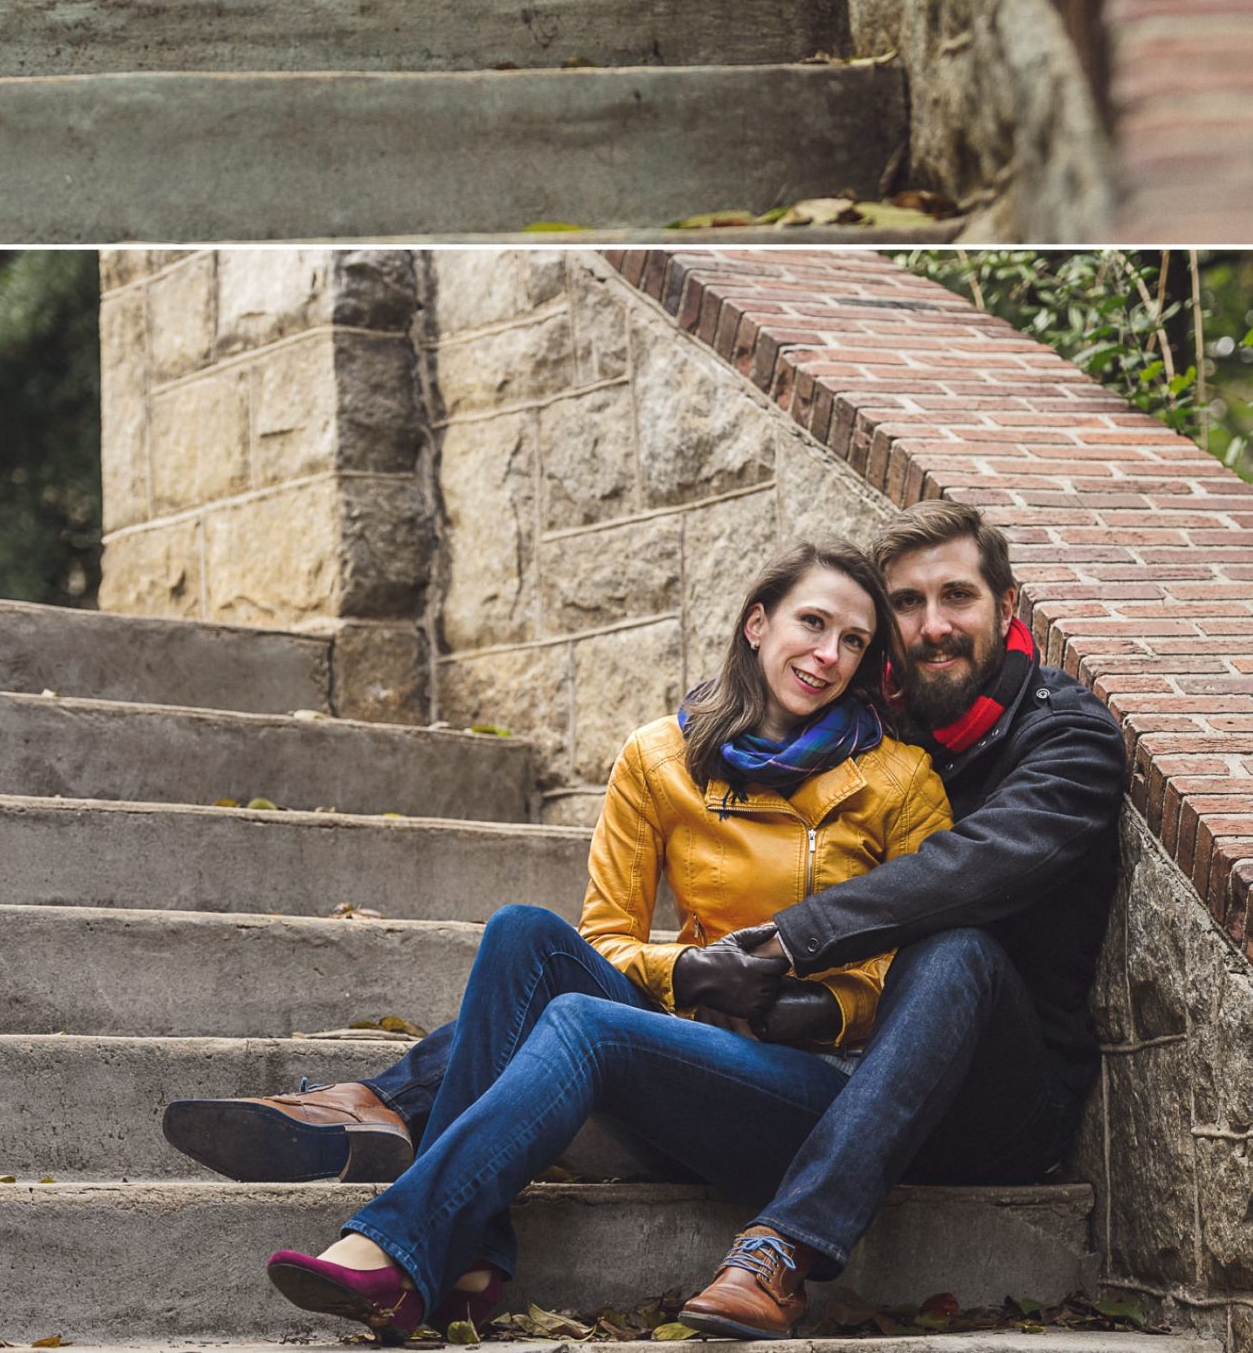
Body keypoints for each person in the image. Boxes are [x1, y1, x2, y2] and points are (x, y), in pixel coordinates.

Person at [237, 538, 951, 1342]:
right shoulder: (660, 757)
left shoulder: (901, 782)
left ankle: (400, 1246)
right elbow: (605, 938)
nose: (828, 655)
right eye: (812, 623)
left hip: (819, 1092)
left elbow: (924, 985)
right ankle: (469, 1254)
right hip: (691, 1049)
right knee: (523, 934)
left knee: (585, 1024)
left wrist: (814, 1006)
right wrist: (690, 971)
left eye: (853, 641)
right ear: (757, 624)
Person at [675, 501, 1129, 1338]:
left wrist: (789, 940)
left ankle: (783, 1250)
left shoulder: (1068, 739)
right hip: (842, 1054)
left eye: (957, 597)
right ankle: (424, 1091)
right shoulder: (871, 726)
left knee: (957, 950)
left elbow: (971, 869)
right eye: (908, 605)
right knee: (561, 975)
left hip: (998, 1105)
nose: (933, 626)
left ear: (1006, 606)